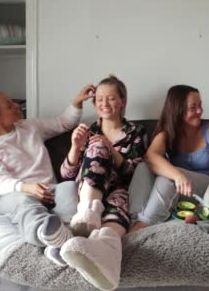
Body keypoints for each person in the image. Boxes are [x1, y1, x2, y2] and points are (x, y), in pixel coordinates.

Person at [0, 85, 94, 265]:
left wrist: (77, 102)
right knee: (24, 201)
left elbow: (63, 122)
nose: (16, 105)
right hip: (13, 197)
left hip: (49, 190)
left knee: (68, 188)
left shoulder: (30, 127)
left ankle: (61, 240)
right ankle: (47, 235)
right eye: (8, 105)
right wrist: (25, 187)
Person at [58, 75, 148, 291]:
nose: (104, 104)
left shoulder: (137, 132)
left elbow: (134, 172)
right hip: (88, 190)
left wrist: (111, 148)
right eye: (99, 99)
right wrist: (75, 147)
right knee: (96, 148)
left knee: (117, 210)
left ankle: (107, 265)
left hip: (118, 190)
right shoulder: (89, 132)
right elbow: (66, 174)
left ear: (122, 101)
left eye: (111, 98)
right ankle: (88, 212)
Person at [127, 84, 209, 232]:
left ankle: (144, 225)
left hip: (205, 190)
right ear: (177, 110)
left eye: (200, 105)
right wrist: (179, 176)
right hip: (179, 190)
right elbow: (150, 156)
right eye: (193, 108)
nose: (200, 111)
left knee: (167, 177)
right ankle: (134, 220)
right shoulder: (167, 133)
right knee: (143, 167)